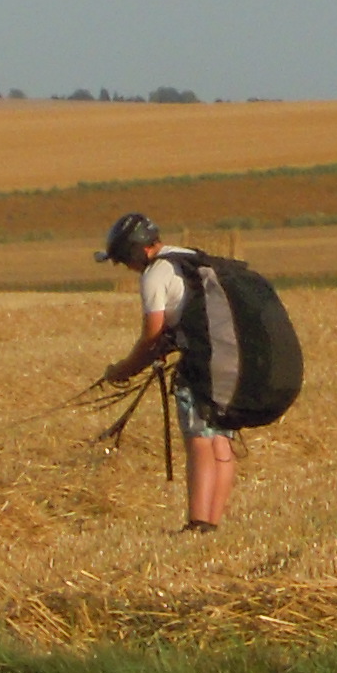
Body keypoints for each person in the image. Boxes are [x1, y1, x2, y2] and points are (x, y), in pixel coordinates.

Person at [95, 211, 235, 532]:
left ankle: (198, 522)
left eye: (123, 260)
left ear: (136, 252)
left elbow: (151, 336)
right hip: (230, 359)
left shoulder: (156, 274)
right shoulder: (191, 258)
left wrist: (123, 370)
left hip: (201, 365)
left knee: (199, 441)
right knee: (221, 439)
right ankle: (212, 523)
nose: (126, 268)